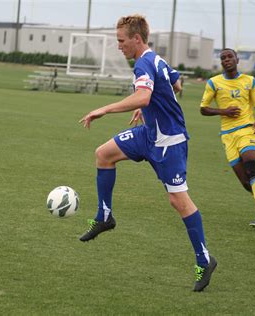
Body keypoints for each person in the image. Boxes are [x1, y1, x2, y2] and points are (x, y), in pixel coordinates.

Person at [78, 14, 216, 292]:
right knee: (104, 154)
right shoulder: (158, 60)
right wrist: (152, 104)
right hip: (148, 134)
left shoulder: (143, 62)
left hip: (168, 142)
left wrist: (105, 108)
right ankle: (105, 216)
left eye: (121, 41)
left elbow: (143, 95)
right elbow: (176, 85)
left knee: (179, 202)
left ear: (136, 39)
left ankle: (204, 259)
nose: (119, 46)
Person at [200, 48, 255, 229]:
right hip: (227, 136)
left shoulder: (250, 82)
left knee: (251, 167)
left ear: (237, 59)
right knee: (245, 183)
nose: (226, 60)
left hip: (248, 130)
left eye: (230, 57)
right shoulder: (214, 83)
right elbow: (203, 108)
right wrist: (223, 111)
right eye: (223, 58)